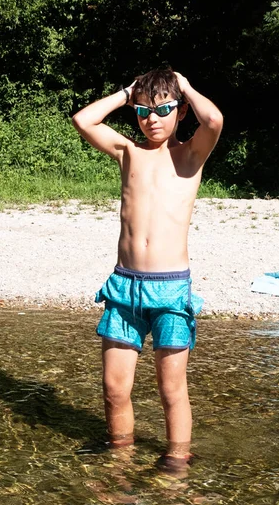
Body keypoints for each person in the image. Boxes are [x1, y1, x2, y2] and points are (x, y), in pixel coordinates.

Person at [72, 68, 223, 470]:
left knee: (170, 389)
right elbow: (83, 120)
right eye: (143, 111)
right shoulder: (128, 152)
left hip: (171, 290)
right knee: (114, 388)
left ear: (181, 111)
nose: (151, 119)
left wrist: (186, 85)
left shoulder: (191, 155)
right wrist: (126, 92)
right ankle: (120, 458)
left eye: (163, 109)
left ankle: (177, 462)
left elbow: (214, 121)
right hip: (124, 288)